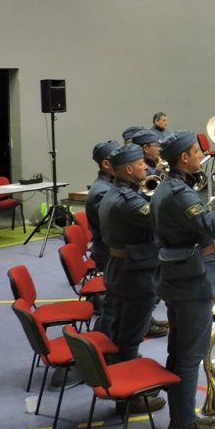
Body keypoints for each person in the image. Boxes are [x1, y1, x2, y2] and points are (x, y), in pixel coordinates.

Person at [151, 131, 215, 429]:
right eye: (196, 151)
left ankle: (183, 416)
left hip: (181, 276)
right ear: (184, 158)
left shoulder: (171, 187)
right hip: (191, 282)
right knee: (190, 356)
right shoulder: (180, 194)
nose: (201, 155)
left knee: (180, 350)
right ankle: (183, 427)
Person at [99, 144, 161, 374]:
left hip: (121, 267)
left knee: (120, 327)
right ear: (128, 169)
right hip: (136, 274)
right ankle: (128, 381)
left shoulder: (115, 192)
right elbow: (162, 217)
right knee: (132, 334)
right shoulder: (127, 201)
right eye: (140, 163)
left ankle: (118, 366)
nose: (145, 166)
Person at [86, 140, 119, 333]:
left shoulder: (110, 184)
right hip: (109, 252)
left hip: (112, 250)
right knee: (115, 302)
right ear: (106, 164)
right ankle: (104, 337)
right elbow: (113, 226)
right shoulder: (102, 191)